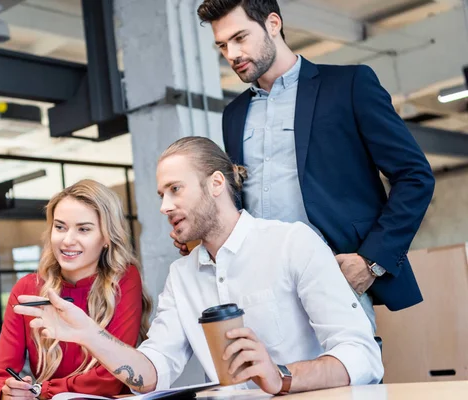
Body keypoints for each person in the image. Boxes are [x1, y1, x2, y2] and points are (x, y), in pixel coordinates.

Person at [13, 137, 383, 396]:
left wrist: (281, 376)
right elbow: (154, 373)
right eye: (162, 195)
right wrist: (91, 335)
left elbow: (362, 354)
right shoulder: (183, 276)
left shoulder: (292, 243)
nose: (164, 206)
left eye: (176, 189)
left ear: (216, 184)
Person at [168, 0, 436, 326]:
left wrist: (371, 261)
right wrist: (200, 227)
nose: (231, 54)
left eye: (240, 38)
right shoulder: (234, 114)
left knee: (349, 375)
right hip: (261, 286)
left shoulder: (349, 86)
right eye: (222, 45)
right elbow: (239, 204)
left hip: (335, 276)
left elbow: (414, 175)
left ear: (273, 24)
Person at [0, 179, 153, 400]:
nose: (67, 240)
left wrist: (43, 390)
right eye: (60, 227)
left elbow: (109, 380)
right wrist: (8, 393)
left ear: (107, 237)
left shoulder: (124, 280)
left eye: (83, 229)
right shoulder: (27, 289)